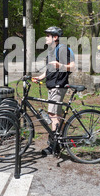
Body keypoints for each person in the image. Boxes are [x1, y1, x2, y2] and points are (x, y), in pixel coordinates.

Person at [32, 26, 75, 156]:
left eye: (48, 35)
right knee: (56, 115)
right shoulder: (52, 50)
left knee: (53, 115)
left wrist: (60, 65)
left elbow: (72, 66)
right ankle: (59, 140)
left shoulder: (62, 49)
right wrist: (40, 77)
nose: (45, 38)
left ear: (55, 37)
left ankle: (54, 145)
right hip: (52, 86)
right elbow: (50, 68)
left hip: (58, 87)